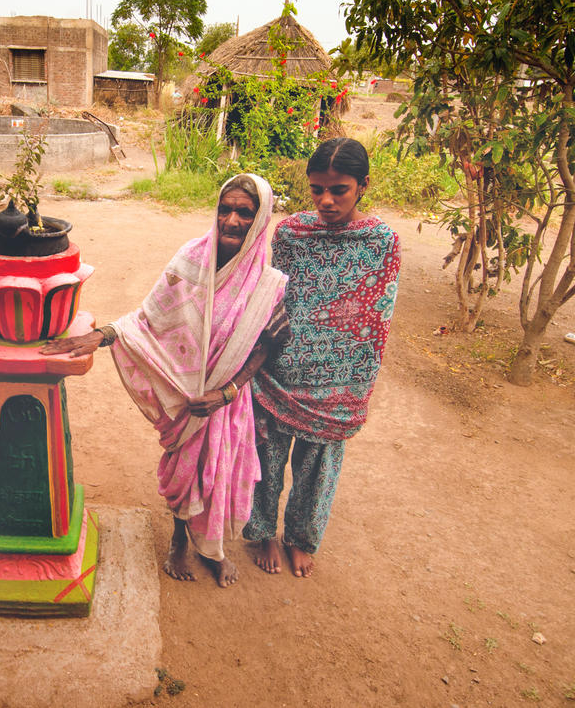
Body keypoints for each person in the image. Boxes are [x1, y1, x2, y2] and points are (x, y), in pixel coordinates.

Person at [41, 174, 290, 587]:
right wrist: (101, 336)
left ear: (260, 219)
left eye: (244, 213)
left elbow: (269, 344)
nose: (230, 220)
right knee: (186, 470)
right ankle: (178, 539)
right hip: (188, 397)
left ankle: (213, 549)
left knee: (220, 472)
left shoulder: (265, 283)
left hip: (226, 401)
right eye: (224, 209)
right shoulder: (191, 258)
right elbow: (149, 317)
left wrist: (226, 393)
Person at [243, 137, 401, 578]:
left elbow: (377, 317)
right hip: (280, 370)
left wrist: (356, 385)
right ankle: (263, 533)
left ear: (363, 185)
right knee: (266, 459)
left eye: (339, 190)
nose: (326, 201)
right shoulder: (291, 233)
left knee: (318, 469)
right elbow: (276, 298)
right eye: (317, 190)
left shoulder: (382, 243)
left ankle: (300, 539)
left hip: (338, 381)